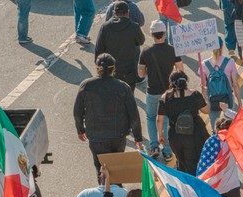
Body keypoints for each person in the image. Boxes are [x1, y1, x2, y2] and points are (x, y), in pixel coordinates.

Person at [73, 53, 144, 177]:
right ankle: (118, 189)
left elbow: (77, 111)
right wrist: (138, 137)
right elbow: (133, 114)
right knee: (117, 168)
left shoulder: (86, 85)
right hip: (118, 135)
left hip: (96, 136)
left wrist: (80, 129)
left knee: (100, 168)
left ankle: (104, 190)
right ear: (114, 69)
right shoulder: (123, 87)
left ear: (97, 68)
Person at [139, 21, 184, 161]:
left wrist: (148, 71)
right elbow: (181, 70)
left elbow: (140, 73)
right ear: (164, 33)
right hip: (169, 91)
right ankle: (168, 150)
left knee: (151, 117)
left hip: (152, 91)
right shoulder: (172, 50)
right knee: (168, 119)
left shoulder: (146, 51)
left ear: (152, 35)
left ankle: (154, 146)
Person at [158, 71, 211, 174]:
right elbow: (206, 110)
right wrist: (204, 95)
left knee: (181, 161)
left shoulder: (165, 97)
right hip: (195, 133)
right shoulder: (195, 94)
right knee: (195, 161)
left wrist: (160, 134)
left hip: (175, 134)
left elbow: (159, 119)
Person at [95, 1, 145, 92]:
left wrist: (99, 68)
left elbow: (99, 49)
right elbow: (141, 41)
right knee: (128, 96)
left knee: (112, 97)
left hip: (111, 69)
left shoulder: (105, 27)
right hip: (129, 70)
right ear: (128, 12)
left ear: (114, 13)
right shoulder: (134, 26)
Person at [200, 38, 243, 131]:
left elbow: (204, 88)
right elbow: (235, 85)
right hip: (227, 98)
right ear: (222, 47)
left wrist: (206, 103)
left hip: (212, 100)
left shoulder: (204, 64)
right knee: (231, 127)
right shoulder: (230, 62)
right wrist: (240, 103)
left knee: (215, 129)